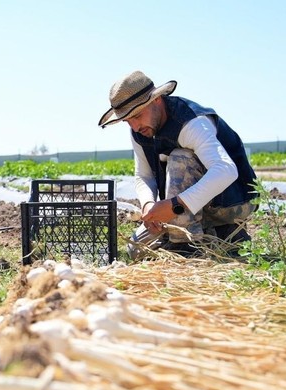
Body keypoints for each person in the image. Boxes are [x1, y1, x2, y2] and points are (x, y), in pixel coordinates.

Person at [98, 70, 258, 259]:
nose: (135, 126)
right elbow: (144, 175)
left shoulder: (191, 122)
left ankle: (186, 247)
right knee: (136, 251)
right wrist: (149, 205)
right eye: (127, 120)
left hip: (231, 202)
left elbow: (225, 170)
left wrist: (174, 206)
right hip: (187, 209)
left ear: (156, 100)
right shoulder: (140, 131)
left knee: (179, 157)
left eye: (138, 115)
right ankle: (216, 236)